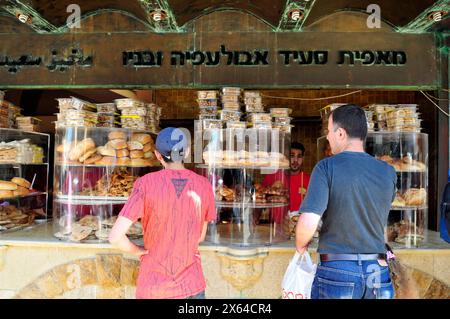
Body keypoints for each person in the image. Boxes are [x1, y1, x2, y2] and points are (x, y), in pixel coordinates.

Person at [295, 104, 397, 299]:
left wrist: (301, 245)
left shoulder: (326, 167)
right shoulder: (388, 172)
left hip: (338, 271)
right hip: (378, 272)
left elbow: (308, 222)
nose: (327, 137)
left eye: (329, 132)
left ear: (340, 133)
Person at [108, 127, 217, 299]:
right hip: (192, 285)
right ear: (186, 152)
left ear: (158, 155)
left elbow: (115, 237)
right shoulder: (204, 185)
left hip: (154, 287)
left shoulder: (145, 184)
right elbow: (200, 237)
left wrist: (138, 251)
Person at [262, 142, 311, 214]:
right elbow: (260, 199)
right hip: (275, 224)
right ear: (287, 157)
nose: (295, 160)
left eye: (299, 156)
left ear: (303, 158)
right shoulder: (272, 176)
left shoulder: (310, 180)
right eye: (292, 155)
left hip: (299, 223)